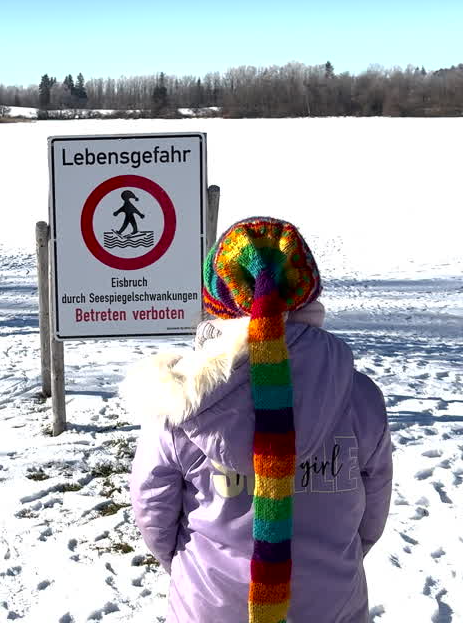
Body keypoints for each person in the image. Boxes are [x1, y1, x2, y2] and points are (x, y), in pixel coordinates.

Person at [123, 217, 392, 623]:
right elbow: (373, 509)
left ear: (216, 299)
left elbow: (153, 510)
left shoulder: (181, 398)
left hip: (210, 605)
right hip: (330, 604)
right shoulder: (358, 395)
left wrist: (193, 569)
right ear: (305, 290)